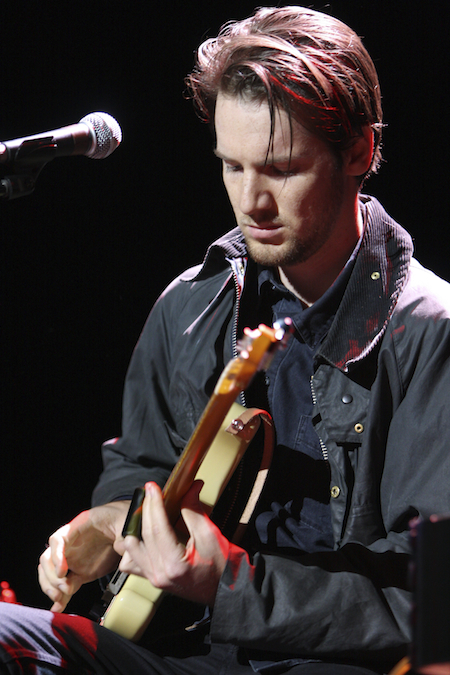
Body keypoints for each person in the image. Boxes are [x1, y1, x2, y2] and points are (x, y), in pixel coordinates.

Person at [1, 5, 450, 675]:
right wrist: (113, 521)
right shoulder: (190, 304)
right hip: (184, 651)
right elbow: (141, 463)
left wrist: (231, 583)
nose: (252, 202)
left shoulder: (431, 333)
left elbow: (429, 605)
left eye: (281, 169)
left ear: (358, 151)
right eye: (232, 167)